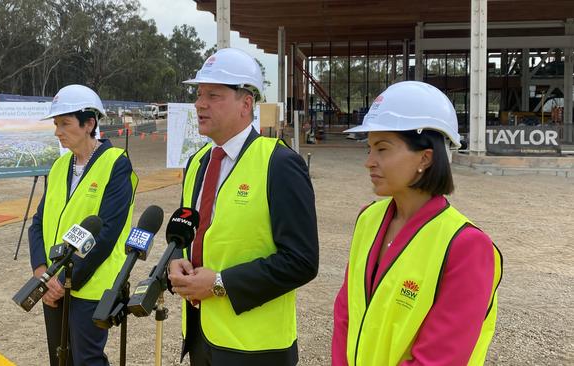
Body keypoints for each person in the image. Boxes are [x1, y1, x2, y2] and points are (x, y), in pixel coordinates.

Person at [332, 81, 503, 366]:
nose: (369, 162)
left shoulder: (466, 246)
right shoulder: (368, 220)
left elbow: (440, 357)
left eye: (382, 149)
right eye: (369, 149)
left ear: (425, 158)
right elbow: (345, 314)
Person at [167, 48, 319, 366]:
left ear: (245, 103)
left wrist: (220, 283)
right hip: (200, 336)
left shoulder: (279, 163)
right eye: (198, 95)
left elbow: (302, 261)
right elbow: (194, 233)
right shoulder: (198, 163)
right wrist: (177, 263)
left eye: (213, 95)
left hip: (256, 348)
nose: (200, 104)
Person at [28, 84, 138, 366]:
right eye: (56, 124)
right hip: (52, 281)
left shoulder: (116, 165)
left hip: (88, 286)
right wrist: (43, 273)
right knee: (59, 358)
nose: (57, 131)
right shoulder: (59, 166)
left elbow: (107, 236)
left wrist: (66, 282)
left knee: (86, 359)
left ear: (90, 123)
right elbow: (38, 223)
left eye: (65, 123)